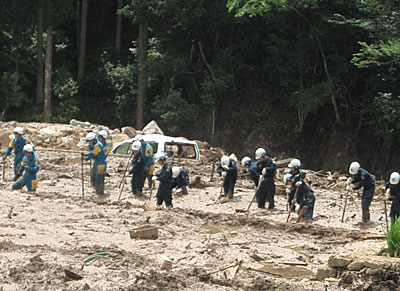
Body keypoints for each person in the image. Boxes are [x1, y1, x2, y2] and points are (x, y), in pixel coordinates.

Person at [82, 132, 107, 197]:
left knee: (99, 177)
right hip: (97, 162)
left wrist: (86, 157)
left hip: (101, 163)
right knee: (94, 176)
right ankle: (97, 190)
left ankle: (100, 191)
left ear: (92, 140)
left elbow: (93, 153)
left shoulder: (98, 145)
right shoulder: (96, 145)